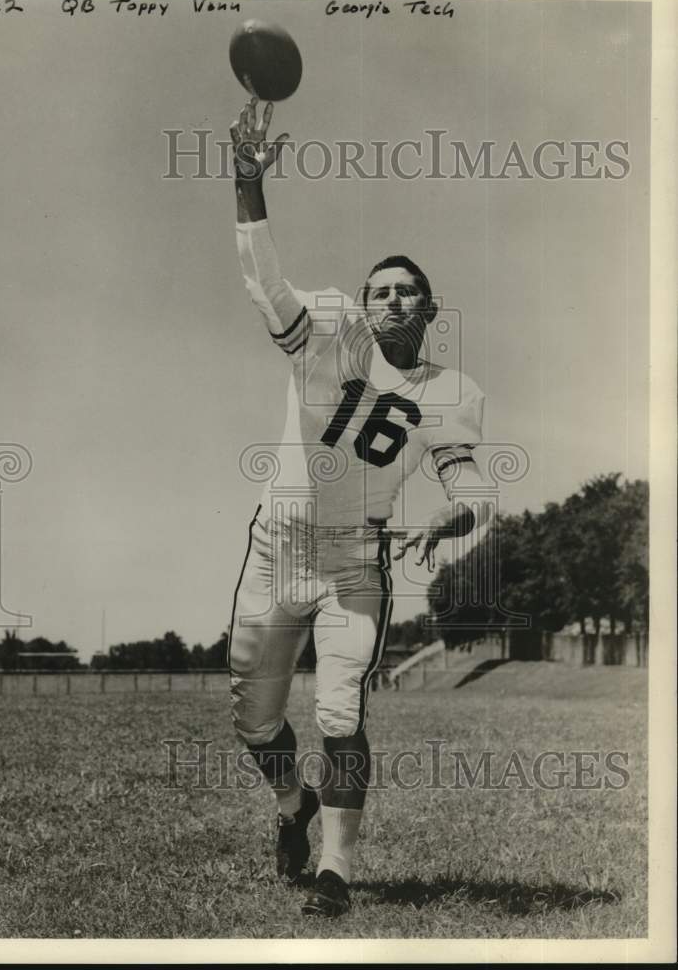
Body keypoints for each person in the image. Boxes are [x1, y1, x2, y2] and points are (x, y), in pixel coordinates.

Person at [227, 97, 493, 917]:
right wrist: (247, 180)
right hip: (277, 547)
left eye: (408, 292)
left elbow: (476, 494)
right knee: (254, 721)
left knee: (340, 710)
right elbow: (266, 282)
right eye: (380, 290)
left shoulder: (450, 392)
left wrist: (441, 524)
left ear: (431, 309)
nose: (390, 301)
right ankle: (290, 807)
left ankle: (337, 872)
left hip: (355, 560)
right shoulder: (329, 329)